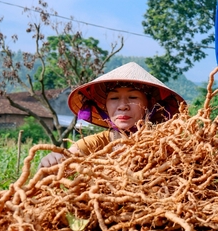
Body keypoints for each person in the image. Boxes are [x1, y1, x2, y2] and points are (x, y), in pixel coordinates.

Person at [40, 62, 184, 168]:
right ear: (104, 106)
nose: (122, 106)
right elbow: (71, 153)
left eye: (133, 98)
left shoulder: (168, 146)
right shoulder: (97, 143)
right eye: (114, 99)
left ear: (150, 103)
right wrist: (55, 159)